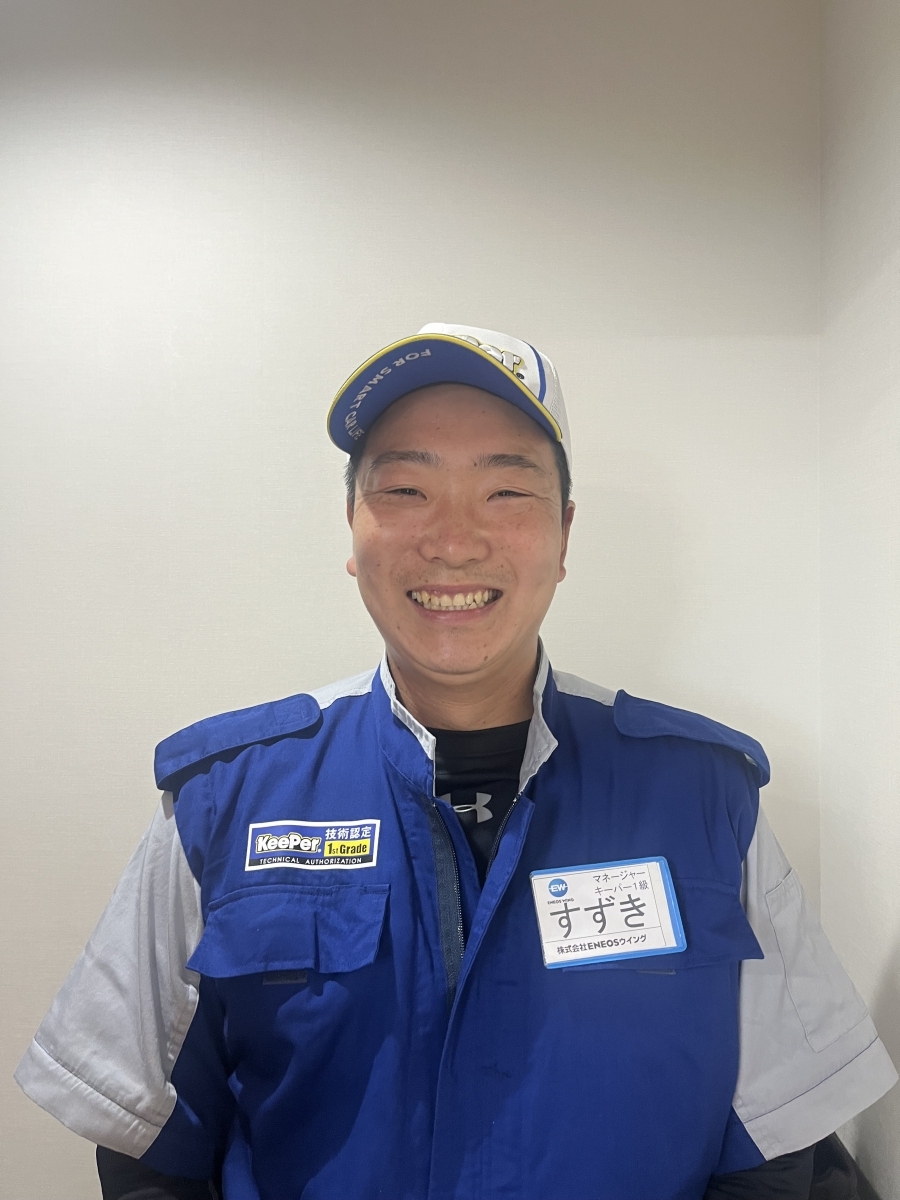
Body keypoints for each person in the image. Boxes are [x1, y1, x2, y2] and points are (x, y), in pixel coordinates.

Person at [16, 323, 897, 1200]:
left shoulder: (705, 798)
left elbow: (778, 1140)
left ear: (564, 535)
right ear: (353, 528)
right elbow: (148, 1144)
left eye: (506, 491)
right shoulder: (225, 799)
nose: (453, 540)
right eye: (406, 489)